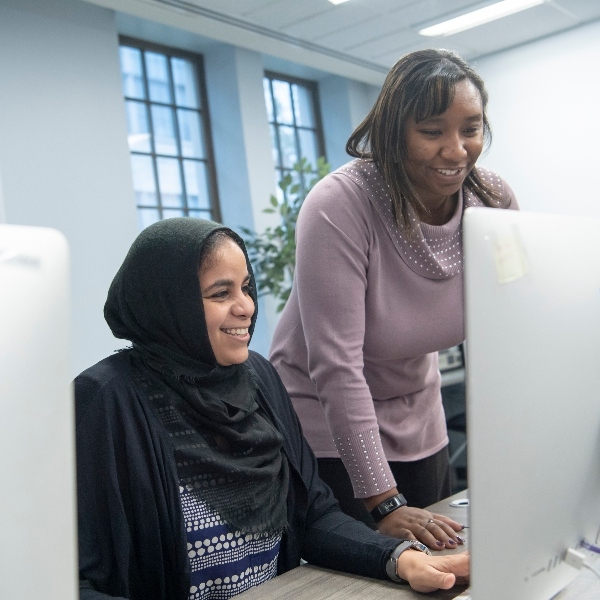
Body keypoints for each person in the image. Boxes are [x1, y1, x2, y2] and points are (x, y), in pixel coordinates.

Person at [75, 217, 469, 600]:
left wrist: (400, 561)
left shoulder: (258, 378)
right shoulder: (106, 401)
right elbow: (72, 581)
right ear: (168, 303)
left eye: (246, 288)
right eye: (220, 293)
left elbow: (312, 516)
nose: (245, 307)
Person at [269, 49, 519, 548]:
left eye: (470, 129)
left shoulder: (492, 203)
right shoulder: (340, 206)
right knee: (369, 572)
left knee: (442, 557)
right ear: (394, 132)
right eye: (432, 132)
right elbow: (336, 365)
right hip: (324, 418)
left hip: (417, 409)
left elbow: (514, 329)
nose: (457, 150)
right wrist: (382, 501)